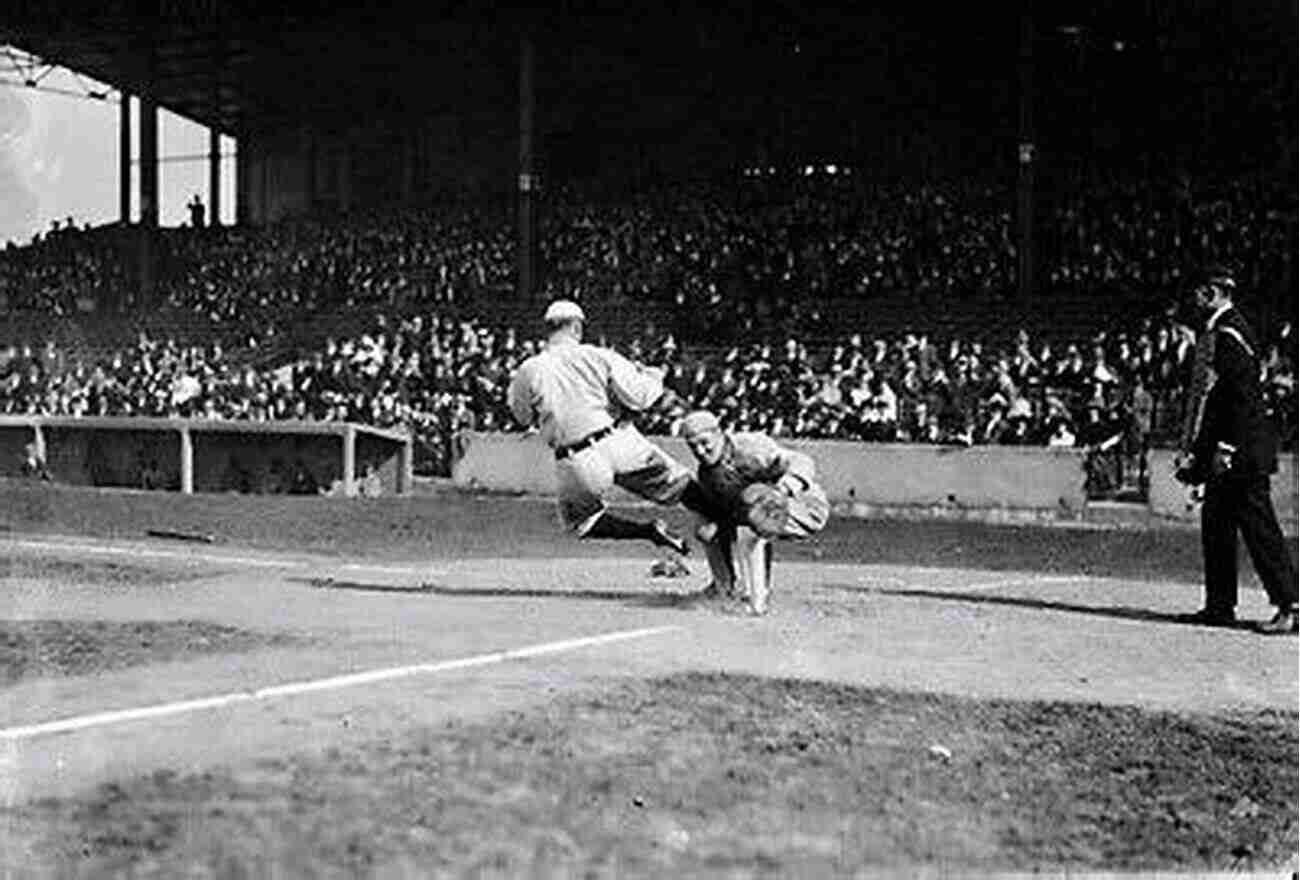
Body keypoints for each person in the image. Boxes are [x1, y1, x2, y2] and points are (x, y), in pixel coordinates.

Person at [507, 299, 707, 555]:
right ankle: (734, 530)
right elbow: (641, 397)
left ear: (547, 329)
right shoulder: (597, 354)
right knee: (686, 489)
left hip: (576, 458)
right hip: (617, 440)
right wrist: (653, 376)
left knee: (583, 523)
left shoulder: (529, 369)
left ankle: (648, 531)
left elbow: (522, 417)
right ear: (577, 327)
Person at [1173, 266, 1297, 634]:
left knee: (1259, 529)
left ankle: (1290, 604)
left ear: (1212, 292)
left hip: (1241, 451)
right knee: (1217, 525)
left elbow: (1240, 398)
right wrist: (1199, 453)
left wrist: (1225, 447)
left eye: (1198, 292)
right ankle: (1219, 605)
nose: (1194, 300)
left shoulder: (1228, 334)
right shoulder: (1223, 330)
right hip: (1231, 449)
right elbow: (1218, 401)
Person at [680, 409, 829, 615]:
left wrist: (782, 490)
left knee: (754, 513)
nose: (700, 450)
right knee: (706, 527)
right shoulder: (707, 475)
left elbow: (803, 461)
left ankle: (757, 598)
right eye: (692, 446)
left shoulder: (750, 446)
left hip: (805, 505)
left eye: (704, 442)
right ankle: (725, 588)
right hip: (757, 513)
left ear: (719, 433)